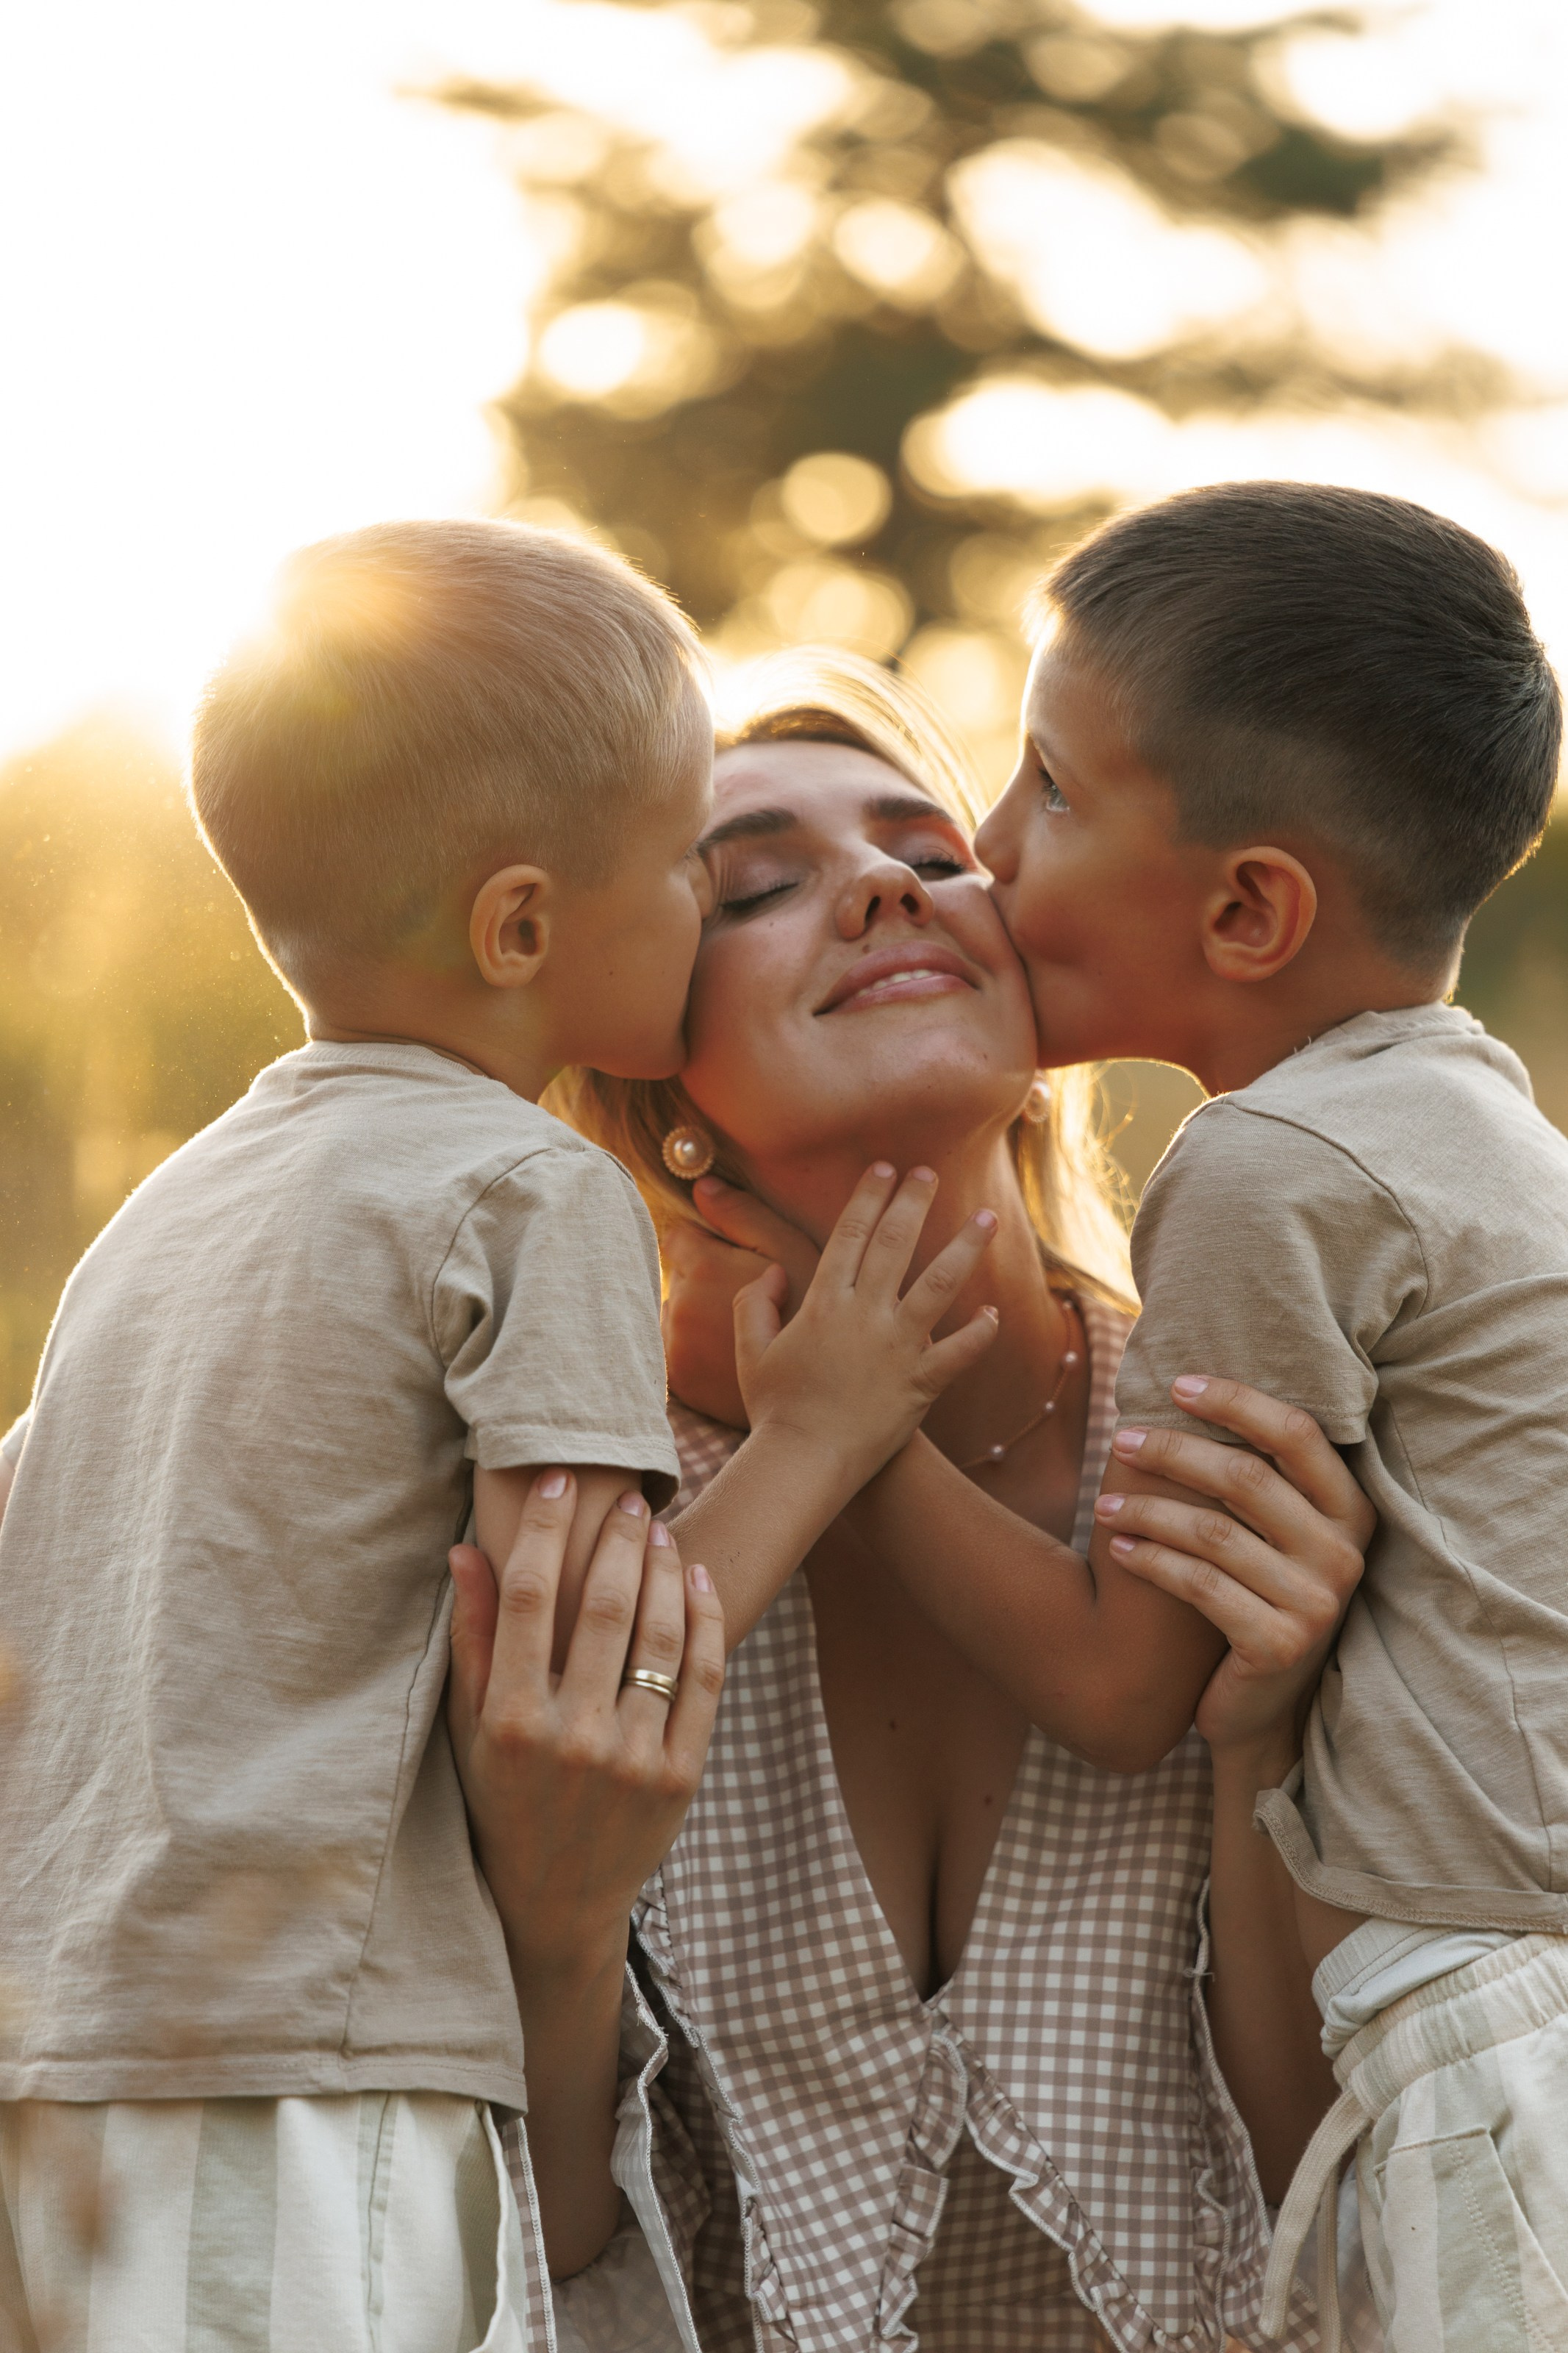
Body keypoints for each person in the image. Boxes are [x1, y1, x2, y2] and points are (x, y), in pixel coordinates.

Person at [0, 529, 998, 2349]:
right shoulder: (525, 1189)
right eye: (690, 871)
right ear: (523, 927)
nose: (696, 917)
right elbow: (593, 1652)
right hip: (327, 2067)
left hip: (60, 2073)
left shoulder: (162, 1220)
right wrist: (825, 1431)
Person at [449, 653, 1373, 2352]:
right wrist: (561, 1934)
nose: (882, 885)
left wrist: (1263, 1741)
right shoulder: (595, 1504)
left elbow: (1317, 2184)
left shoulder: (1226, 1429)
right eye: (757, 886)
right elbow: (552, 2244)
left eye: (931, 853)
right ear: (660, 1093)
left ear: (1032, 1016)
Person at [795, 483, 1561, 2350]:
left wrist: (843, 1431)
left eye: (1045, 787)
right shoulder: (1459, 1121)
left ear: (1244, 905)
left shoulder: (1264, 1168)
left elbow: (1130, 1679)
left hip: (1482, 2029)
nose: (983, 848)